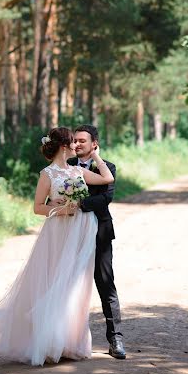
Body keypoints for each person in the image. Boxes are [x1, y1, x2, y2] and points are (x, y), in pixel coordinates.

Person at [0, 126, 114, 366]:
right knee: (53, 281)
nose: (76, 146)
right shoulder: (47, 174)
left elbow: (107, 178)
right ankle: (47, 342)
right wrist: (58, 208)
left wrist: (95, 156)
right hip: (58, 232)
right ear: (64, 146)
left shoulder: (77, 171)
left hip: (80, 233)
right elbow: (37, 206)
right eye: (73, 142)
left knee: (74, 286)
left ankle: (68, 342)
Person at [67, 124, 126, 359]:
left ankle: (116, 339)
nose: (78, 144)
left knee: (105, 282)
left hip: (100, 232)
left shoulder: (107, 168)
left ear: (94, 144)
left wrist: (80, 204)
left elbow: (106, 198)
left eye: (82, 140)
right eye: (75, 140)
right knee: (67, 283)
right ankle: (67, 340)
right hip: (69, 233)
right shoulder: (64, 167)